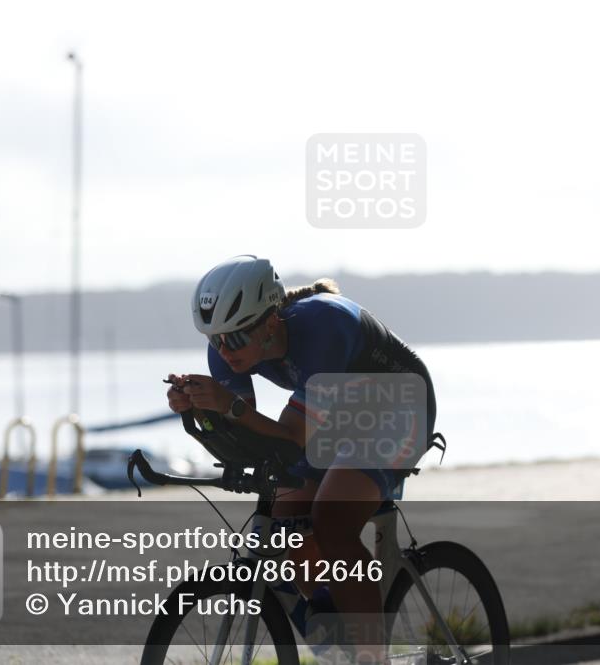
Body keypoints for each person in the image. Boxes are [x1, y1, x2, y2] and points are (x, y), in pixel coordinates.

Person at [167, 255, 437, 663]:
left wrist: (230, 407)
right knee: (285, 515)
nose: (224, 350)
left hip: (397, 409)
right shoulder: (226, 350)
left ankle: (371, 655)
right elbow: (249, 438)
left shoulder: (324, 325)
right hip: (339, 415)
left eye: (235, 338)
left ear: (270, 321)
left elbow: (290, 435)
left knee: (331, 519)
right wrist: (199, 410)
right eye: (213, 339)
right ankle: (338, 620)